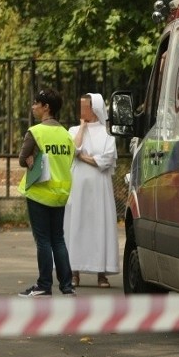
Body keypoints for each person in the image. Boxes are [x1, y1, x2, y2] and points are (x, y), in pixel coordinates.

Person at [18, 88, 76, 297]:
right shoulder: (66, 135)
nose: (33, 107)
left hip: (40, 193)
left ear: (46, 107)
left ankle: (43, 285)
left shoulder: (36, 132)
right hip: (60, 193)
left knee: (43, 240)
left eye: (36, 103)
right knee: (58, 239)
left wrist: (31, 159)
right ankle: (67, 286)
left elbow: (22, 158)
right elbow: (69, 160)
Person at [64, 93, 120, 288]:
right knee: (76, 225)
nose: (82, 111)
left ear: (94, 109)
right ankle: (74, 272)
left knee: (99, 225)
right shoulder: (73, 130)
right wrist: (82, 127)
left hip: (99, 188)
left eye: (84, 107)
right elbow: (74, 148)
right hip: (78, 186)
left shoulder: (106, 135)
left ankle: (101, 274)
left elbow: (105, 161)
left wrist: (85, 158)